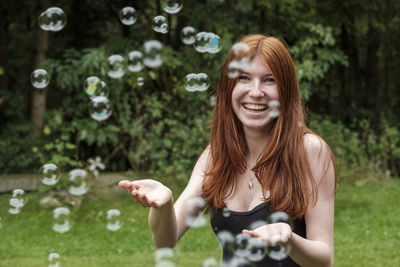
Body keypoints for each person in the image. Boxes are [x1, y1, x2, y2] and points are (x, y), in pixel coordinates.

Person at [119, 34, 336, 267]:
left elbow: (325, 259)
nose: (255, 92)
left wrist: (288, 239)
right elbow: (165, 240)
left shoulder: (309, 151)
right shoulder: (216, 156)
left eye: (269, 80)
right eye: (244, 78)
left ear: (286, 90)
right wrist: (163, 205)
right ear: (228, 87)